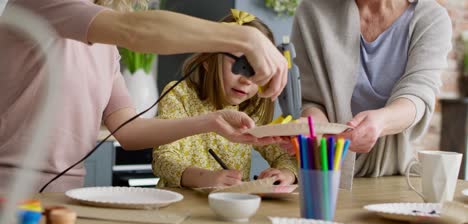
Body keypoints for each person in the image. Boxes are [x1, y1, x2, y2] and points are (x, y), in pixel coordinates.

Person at [0, 0, 288, 192]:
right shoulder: (41, 2)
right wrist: (244, 38)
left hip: (65, 194)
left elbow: (128, 129)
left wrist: (212, 121)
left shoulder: (104, 45)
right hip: (9, 188)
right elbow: (135, 31)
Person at [289, 0, 452, 188]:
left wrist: (380, 122)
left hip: (389, 176)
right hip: (323, 174)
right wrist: (311, 128)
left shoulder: (431, 17)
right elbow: (310, 100)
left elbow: (418, 94)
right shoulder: (312, 10)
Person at [152, 10, 297, 188]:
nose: (246, 80)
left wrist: (285, 174)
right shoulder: (180, 95)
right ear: (208, 61)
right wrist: (203, 178)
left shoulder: (251, 107)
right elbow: (162, 159)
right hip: (180, 203)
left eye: (256, 70)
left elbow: (283, 155)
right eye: (239, 65)